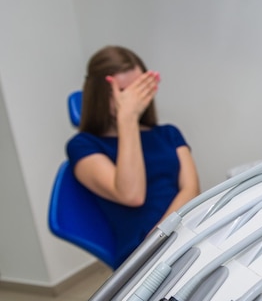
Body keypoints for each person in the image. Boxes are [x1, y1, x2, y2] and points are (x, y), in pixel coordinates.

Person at [66, 45, 200, 266]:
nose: (135, 99)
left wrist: (167, 235)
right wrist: (127, 118)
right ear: (101, 94)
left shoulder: (168, 133)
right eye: (124, 93)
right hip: (142, 254)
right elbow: (131, 194)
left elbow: (191, 190)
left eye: (139, 89)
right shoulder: (83, 145)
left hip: (181, 236)